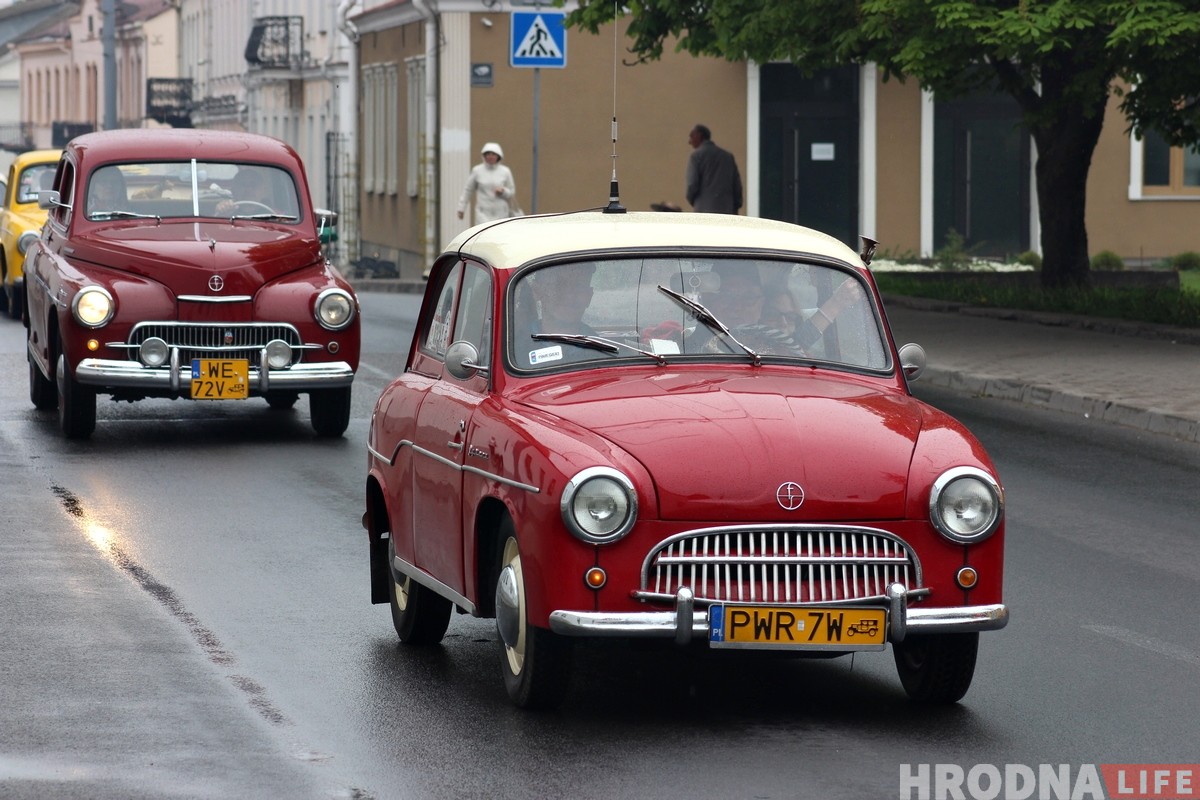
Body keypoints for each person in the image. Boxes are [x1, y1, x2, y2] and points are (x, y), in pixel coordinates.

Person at [686, 124, 743, 214]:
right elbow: (737, 185)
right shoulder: (728, 157)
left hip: (704, 211)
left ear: (699, 136)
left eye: (691, 137)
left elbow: (692, 184)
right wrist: (736, 204)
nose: (689, 142)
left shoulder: (696, 156)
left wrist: (693, 200)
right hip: (727, 210)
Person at [457, 142, 517, 225]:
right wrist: (461, 208)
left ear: (498, 156)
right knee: (483, 235)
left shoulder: (505, 171)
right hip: (483, 214)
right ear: (484, 156)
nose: (490, 157)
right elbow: (468, 190)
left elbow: (511, 191)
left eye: (493, 154)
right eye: (488, 154)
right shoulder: (477, 171)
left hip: (501, 214)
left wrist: (503, 192)